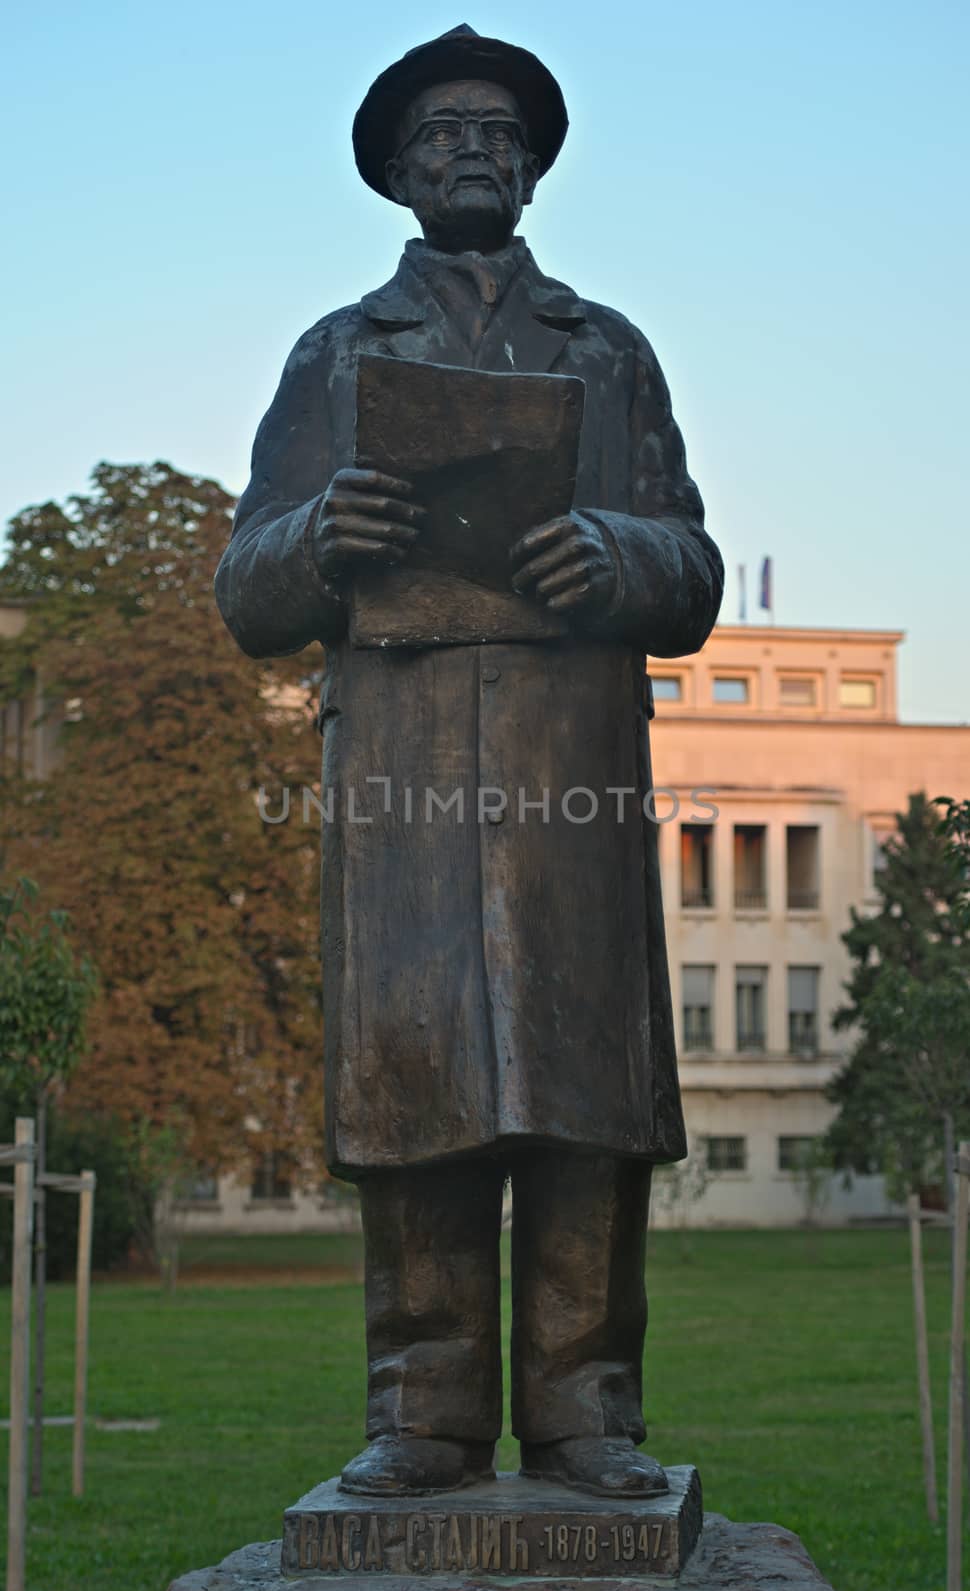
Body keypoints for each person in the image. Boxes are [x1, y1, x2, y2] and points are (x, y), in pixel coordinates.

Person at [215, 25, 723, 1499]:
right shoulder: (336, 353)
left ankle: (584, 1418)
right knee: (415, 1076)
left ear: (533, 162)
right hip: (403, 774)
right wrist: (325, 539)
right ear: (394, 168)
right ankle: (422, 1416)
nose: (472, 149)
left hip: (570, 762)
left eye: (498, 130)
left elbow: (688, 565)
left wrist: (612, 553)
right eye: (442, 130)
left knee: (581, 1084)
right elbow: (249, 587)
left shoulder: (605, 349)